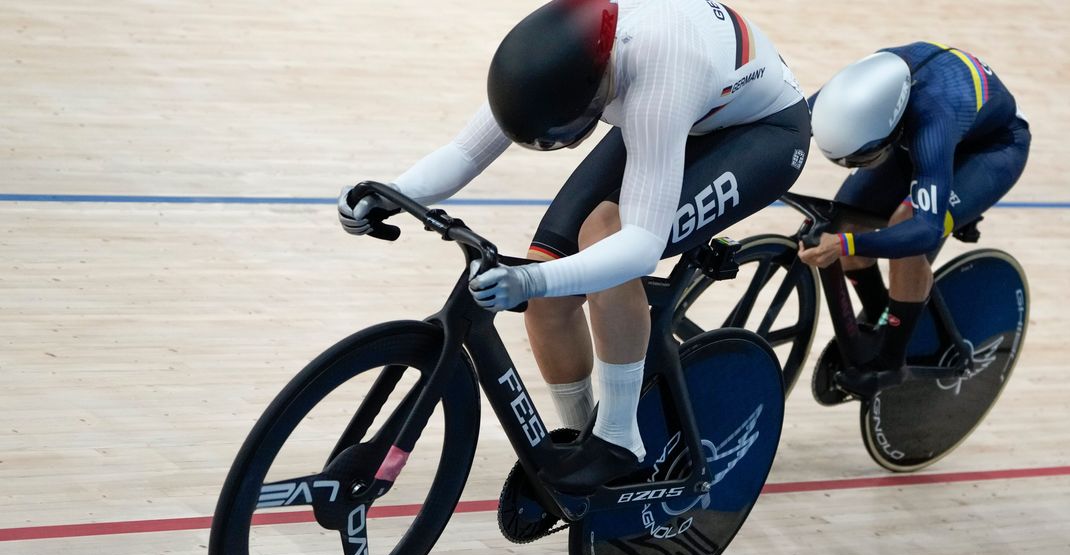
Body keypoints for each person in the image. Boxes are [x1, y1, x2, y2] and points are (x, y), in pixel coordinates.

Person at [339, 0, 810, 493]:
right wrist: (388, 192)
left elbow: (640, 246)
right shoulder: (557, 56)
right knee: (548, 299)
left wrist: (527, 279)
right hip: (681, 107)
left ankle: (619, 439)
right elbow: (464, 152)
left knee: (604, 237)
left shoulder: (660, 73)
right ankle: (585, 441)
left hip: (763, 133)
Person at [799, 42, 1030, 396]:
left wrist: (844, 245)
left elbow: (923, 231)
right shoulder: (853, 89)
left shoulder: (933, 119)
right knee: (844, 219)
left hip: (989, 151)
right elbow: (786, 120)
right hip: (919, 131)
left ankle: (890, 362)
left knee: (905, 221)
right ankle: (883, 316)